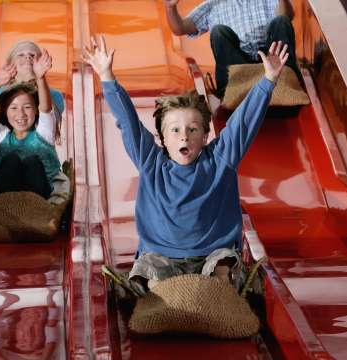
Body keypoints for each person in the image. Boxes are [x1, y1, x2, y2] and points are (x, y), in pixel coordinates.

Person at [82, 36, 288, 292]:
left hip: (212, 256)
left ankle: (215, 296)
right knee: (150, 272)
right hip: (162, 257)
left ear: (205, 136)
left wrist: (268, 81)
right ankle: (162, 298)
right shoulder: (151, 162)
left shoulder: (220, 159)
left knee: (223, 267)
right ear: (162, 138)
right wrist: (107, 77)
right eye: (175, 130)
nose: (184, 136)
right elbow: (129, 124)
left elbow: (243, 124)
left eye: (193, 129)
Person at [163, 0, 299, 98]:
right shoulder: (212, 4)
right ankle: (231, 90)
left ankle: (287, 81)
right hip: (237, 65)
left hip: (271, 58)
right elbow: (180, 28)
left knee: (281, 21)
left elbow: (286, 16)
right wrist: (170, 8)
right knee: (219, 32)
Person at [0, 49, 60, 199]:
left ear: (36, 111)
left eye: (27, 107)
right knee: (10, 160)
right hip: (7, 200)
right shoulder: (1, 136)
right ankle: (7, 208)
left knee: (32, 161)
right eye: (13, 108)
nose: (21, 114)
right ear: (5, 112)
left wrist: (40, 78)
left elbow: (46, 108)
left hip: (39, 200)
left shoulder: (44, 133)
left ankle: (30, 209)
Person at [0, 40, 65, 126]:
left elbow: (50, 124)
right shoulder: (1, 92)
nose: (28, 57)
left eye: (32, 55)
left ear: (42, 61)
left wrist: (40, 78)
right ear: (11, 64)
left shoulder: (55, 95)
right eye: (21, 55)